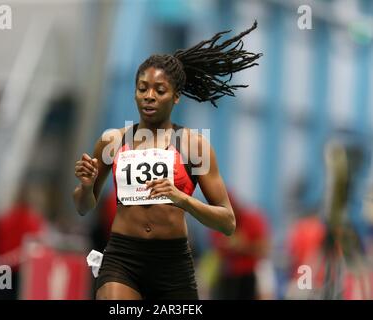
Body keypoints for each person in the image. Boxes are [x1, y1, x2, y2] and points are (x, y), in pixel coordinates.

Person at [73, 22, 262, 300]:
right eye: (142, 88)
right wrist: (86, 187)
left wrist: (182, 199)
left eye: (159, 90)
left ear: (176, 97)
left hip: (172, 263)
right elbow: (82, 207)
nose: (149, 96)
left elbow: (228, 222)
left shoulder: (193, 145)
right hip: (123, 256)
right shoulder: (112, 141)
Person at [210, 191, 270, 300]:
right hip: (228, 276)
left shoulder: (252, 219)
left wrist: (243, 246)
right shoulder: (218, 222)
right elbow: (218, 250)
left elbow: (264, 249)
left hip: (250, 274)